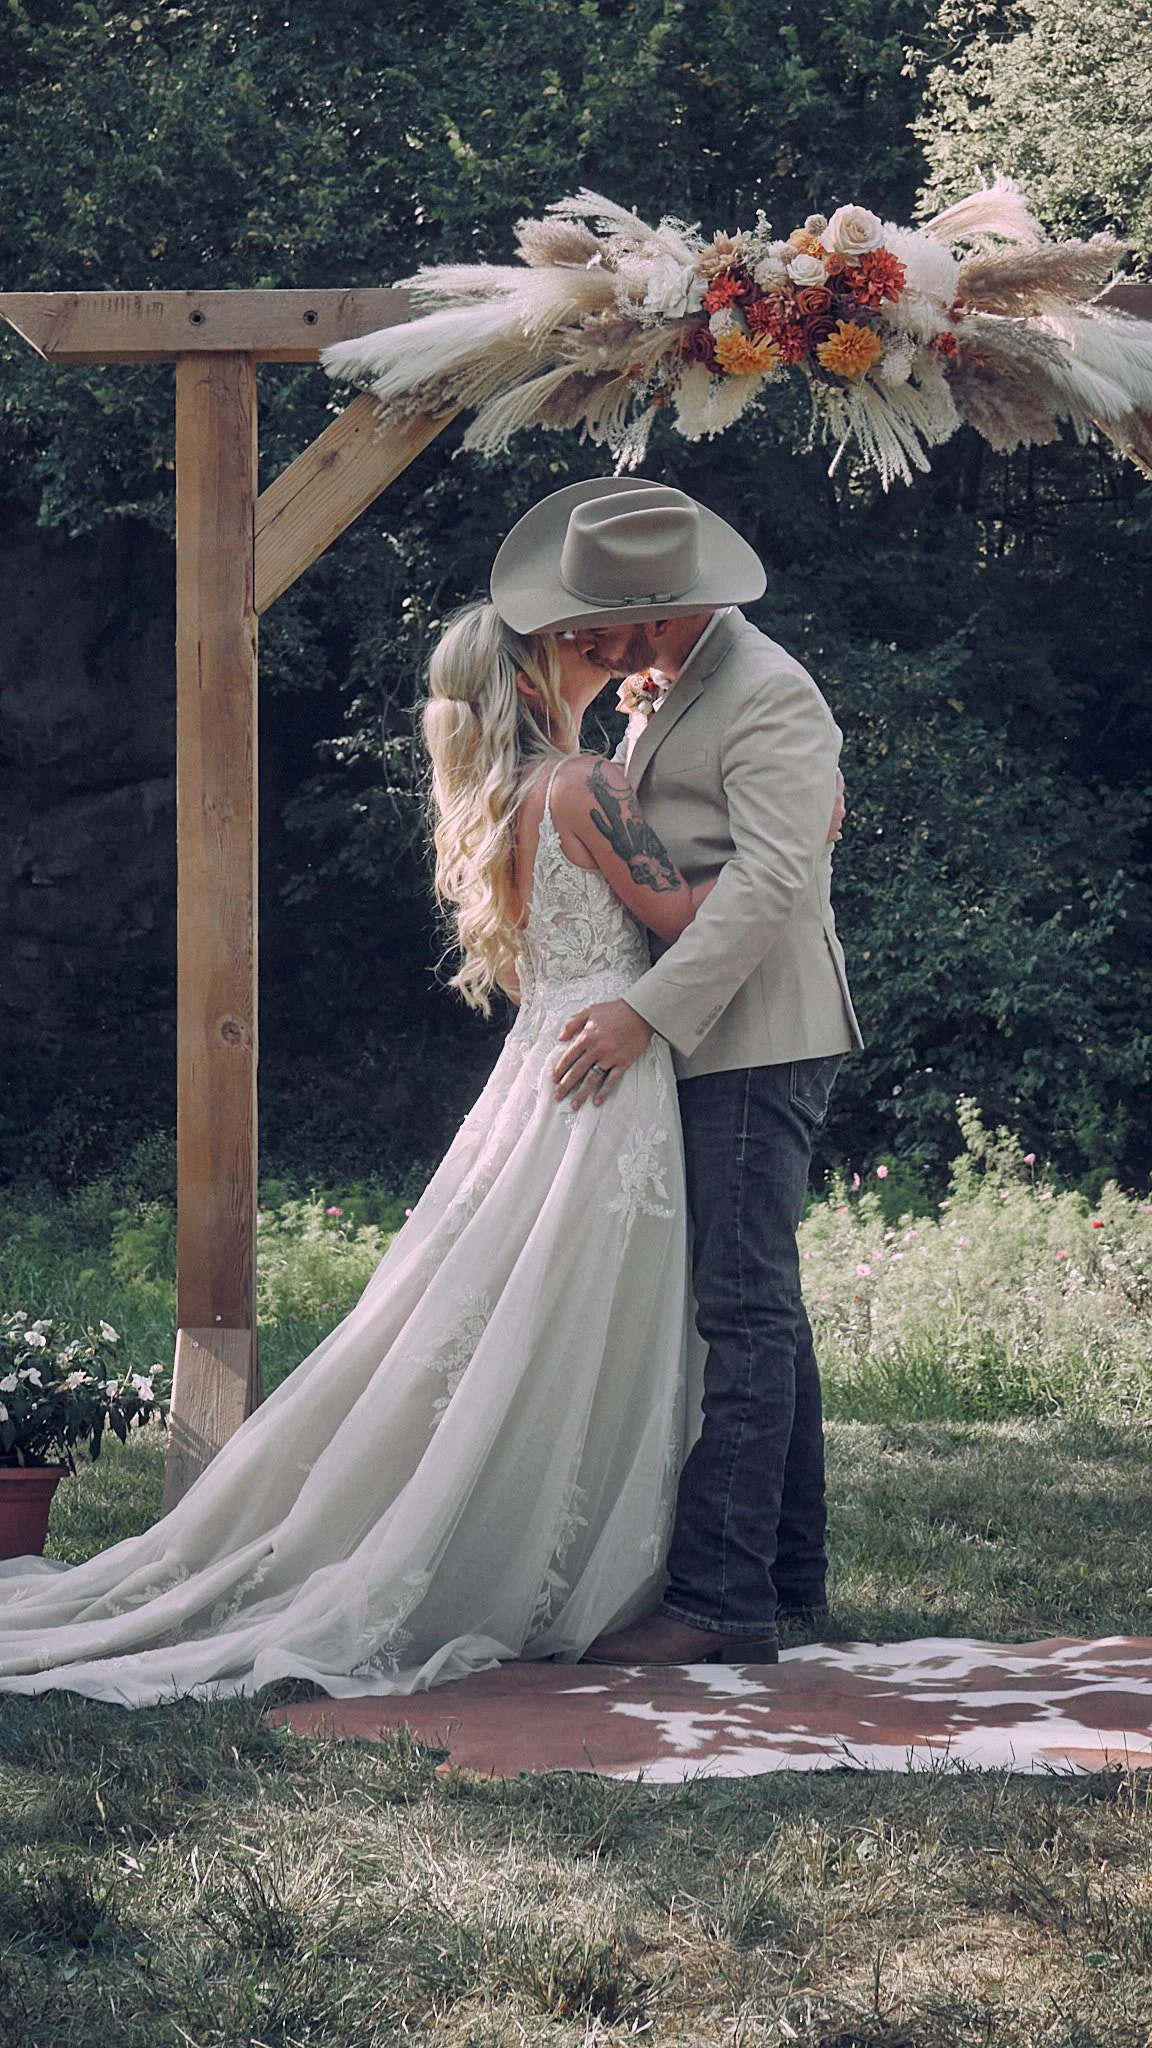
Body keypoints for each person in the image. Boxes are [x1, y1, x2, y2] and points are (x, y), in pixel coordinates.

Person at [0, 576, 758, 1702]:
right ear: (530, 676)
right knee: (578, 1303)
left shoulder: (503, 796)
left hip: (544, 1053)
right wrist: (796, 833)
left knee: (516, 1302)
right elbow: (689, 918)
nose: (591, 641)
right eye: (566, 641)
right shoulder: (588, 784)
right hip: (607, 1063)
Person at [488, 477, 862, 1666]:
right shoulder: (670, 688)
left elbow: (768, 886)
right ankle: (789, 1572)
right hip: (705, 1028)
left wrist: (642, 1015)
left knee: (741, 1311)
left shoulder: (770, 694)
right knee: (765, 1306)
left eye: (603, 615)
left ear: (662, 609)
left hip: (754, 1033)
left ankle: (718, 1604)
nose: (588, 634)